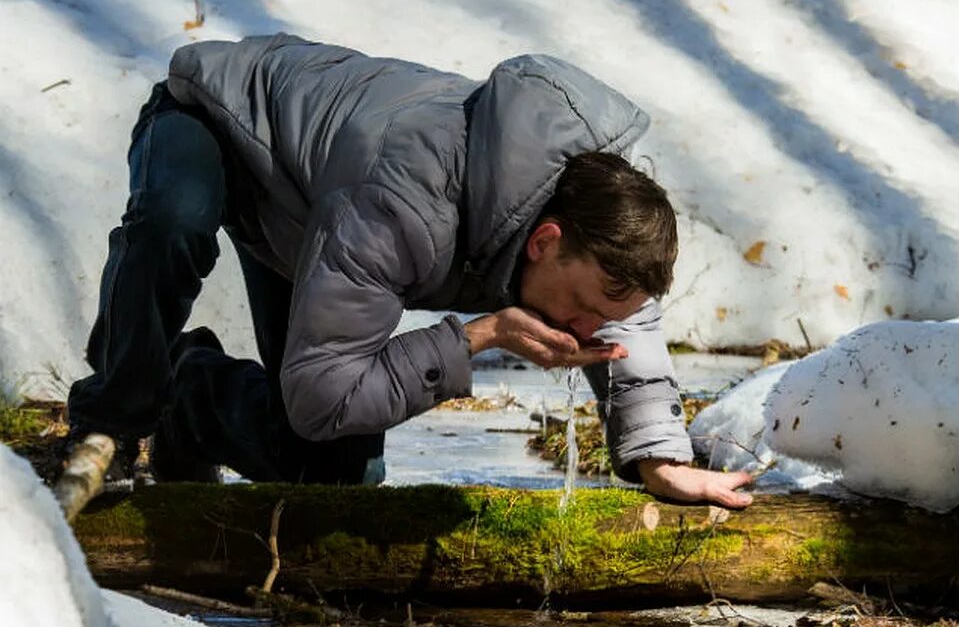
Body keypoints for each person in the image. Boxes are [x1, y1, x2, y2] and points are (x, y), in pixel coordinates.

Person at [60, 35, 752, 508]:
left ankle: (192, 398)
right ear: (544, 242)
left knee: (332, 477)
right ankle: (114, 417)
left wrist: (659, 462)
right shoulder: (403, 204)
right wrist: (475, 337)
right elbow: (325, 393)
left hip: (320, 209)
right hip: (218, 118)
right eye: (579, 308)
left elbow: (628, 329)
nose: (582, 331)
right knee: (171, 224)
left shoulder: (603, 225)